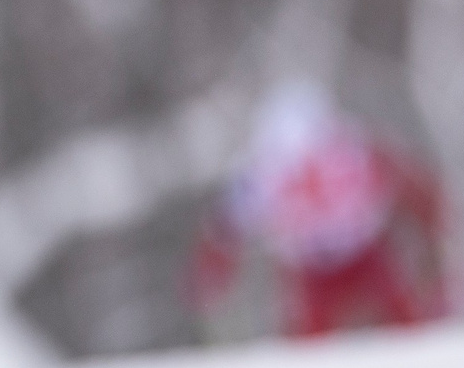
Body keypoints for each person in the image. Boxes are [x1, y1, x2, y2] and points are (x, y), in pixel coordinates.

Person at [191, 80, 448, 338]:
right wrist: (213, 271)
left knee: (405, 320)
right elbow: (229, 227)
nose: (304, 167)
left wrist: (433, 238)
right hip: (309, 268)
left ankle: (424, 362)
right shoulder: (265, 176)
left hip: (365, 252)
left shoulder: (354, 152)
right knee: (308, 338)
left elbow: (412, 188)